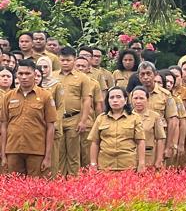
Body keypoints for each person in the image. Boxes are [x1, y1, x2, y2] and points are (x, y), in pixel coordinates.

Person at [1, 58, 57, 176]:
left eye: (27, 73)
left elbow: (50, 127)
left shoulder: (45, 96)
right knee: (14, 185)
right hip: (13, 149)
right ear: (16, 75)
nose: (24, 77)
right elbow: (4, 125)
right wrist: (3, 154)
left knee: (35, 185)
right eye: (20, 74)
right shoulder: (8, 96)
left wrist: (48, 156)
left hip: (36, 150)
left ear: (35, 74)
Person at [54, 47, 96, 175]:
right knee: (59, 152)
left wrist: (83, 121)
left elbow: (86, 100)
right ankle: (60, 180)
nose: (65, 63)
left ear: (74, 60)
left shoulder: (82, 78)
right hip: (57, 119)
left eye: (68, 60)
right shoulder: (53, 76)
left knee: (73, 153)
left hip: (74, 118)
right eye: (62, 60)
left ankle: (73, 180)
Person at [88, 86, 145, 172]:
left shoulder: (135, 118)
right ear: (108, 101)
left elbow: (140, 142)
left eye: (118, 97)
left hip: (128, 166)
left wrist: (141, 163)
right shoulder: (101, 118)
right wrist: (93, 164)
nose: (115, 100)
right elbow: (95, 143)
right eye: (111, 97)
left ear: (125, 100)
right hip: (105, 167)